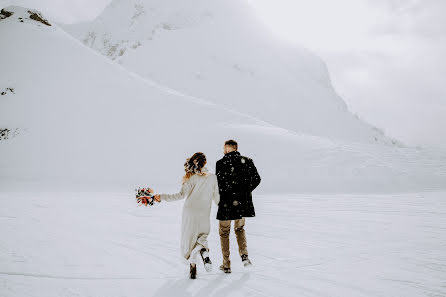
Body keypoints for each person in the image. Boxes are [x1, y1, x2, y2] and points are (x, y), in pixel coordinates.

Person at [143, 152, 220, 279]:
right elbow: (217, 199)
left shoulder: (191, 177)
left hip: (190, 213)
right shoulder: (213, 178)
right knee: (202, 236)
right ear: (205, 163)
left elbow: (180, 195)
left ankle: (193, 268)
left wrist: (161, 197)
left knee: (189, 242)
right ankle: (204, 252)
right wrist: (229, 208)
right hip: (204, 213)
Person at [216, 140, 261, 273]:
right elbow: (257, 179)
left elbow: (218, 184)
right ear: (236, 148)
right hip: (241, 204)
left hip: (226, 204)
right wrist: (245, 192)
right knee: (240, 229)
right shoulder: (247, 161)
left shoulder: (220, 163)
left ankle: (226, 264)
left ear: (226, 148)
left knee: (224, 232)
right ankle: (244, 256)